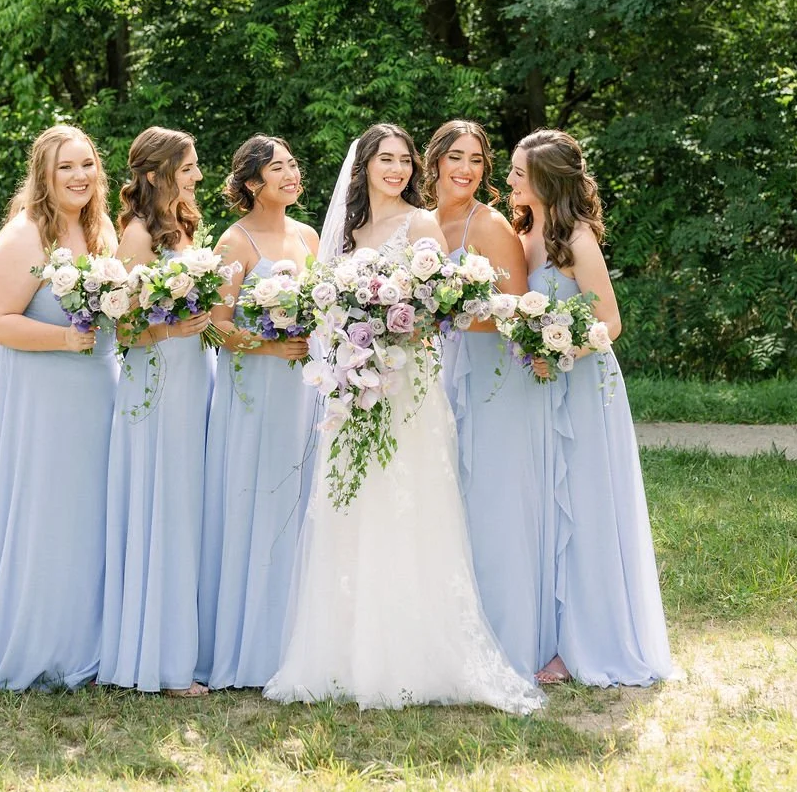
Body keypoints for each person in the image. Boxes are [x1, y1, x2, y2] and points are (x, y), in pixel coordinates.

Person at [263, 124, 544, 713]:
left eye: (403, 161)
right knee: (353, 507)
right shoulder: (346, 233)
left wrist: (402, 324)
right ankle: (345, 654)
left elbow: (436, 308)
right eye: (384, 159)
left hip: (410, 384)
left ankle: (414, 655)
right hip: (351, 386)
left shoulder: (420, 225)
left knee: (410, 506)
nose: (395, 170)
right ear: (363, 166)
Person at [0, 125, 118, 694]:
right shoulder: (24, 236)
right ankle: (29, 642)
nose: (80, 176)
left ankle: (84, 643)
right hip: (38, 392)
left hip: (94, 391)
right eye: (66, 168)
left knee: (86, 513)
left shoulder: (99, 229)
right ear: (44, 176)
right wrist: (63, 341)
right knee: (39, 510)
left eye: (87, 165)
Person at [509, 129, 672, 686]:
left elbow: (610, 323)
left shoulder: (577, 239)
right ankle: (547, 632)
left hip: (582, 384)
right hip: (540, 385)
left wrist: (557, 349)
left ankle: (585, 637)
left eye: (517, 173)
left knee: (583, 504)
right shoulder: (524, 230)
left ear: (544, 181)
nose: (509, 180)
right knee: (547, 507)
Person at [426, 119, 557, 682]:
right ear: (434, 162)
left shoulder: (493, 224)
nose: (467, 169)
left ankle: (510, 641)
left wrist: (450, 316)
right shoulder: (419, 225)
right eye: (457, 156)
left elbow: (519, 315)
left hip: (494, 379)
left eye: (478, 160)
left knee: (495, 502)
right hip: (438, 375)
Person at [197, 135, 319, 689]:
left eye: (292, 165)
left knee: (300, 500)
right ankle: (248, 645)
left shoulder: (309, 235)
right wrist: (268, 346)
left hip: (305, 390)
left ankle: (300, 637)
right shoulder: (234, 242)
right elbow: (216, 325)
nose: (291, 175)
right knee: (257, 497)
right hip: (254, 390)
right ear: (251, 183)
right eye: (278, 169)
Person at [98, 126, 214, 697]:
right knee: (164, 505)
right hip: (160, 380)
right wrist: (173, 327)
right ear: (153, 174)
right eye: (187, 167)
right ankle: (163, 663)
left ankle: (189, 645)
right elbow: (124, 327)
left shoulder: (181, 227)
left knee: (189, 505)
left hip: (195, 375)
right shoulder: (137, 234)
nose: (196, 176)